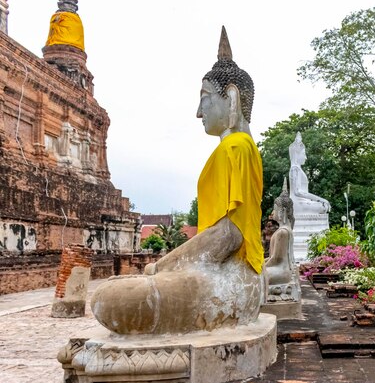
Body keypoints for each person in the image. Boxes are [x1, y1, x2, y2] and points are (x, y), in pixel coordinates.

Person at [90, 27, 263, 335]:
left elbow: (228, 236)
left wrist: (164, 264)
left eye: (205, 99)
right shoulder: (244, 148)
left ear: (232, 97)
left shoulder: (235, 147)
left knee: (113, 301)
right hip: (236, 280)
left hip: (228, 280)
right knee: (122, 291)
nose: (199, 112)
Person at [288, 132, 331, 214]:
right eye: (304, 154)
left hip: (304, 202)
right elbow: (297, 192)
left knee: (323, 206)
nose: (305, 157)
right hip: (297, 204)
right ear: (297, 155)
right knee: (322, 206)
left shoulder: (298, 169)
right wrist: (320, 199)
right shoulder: (295, 169)